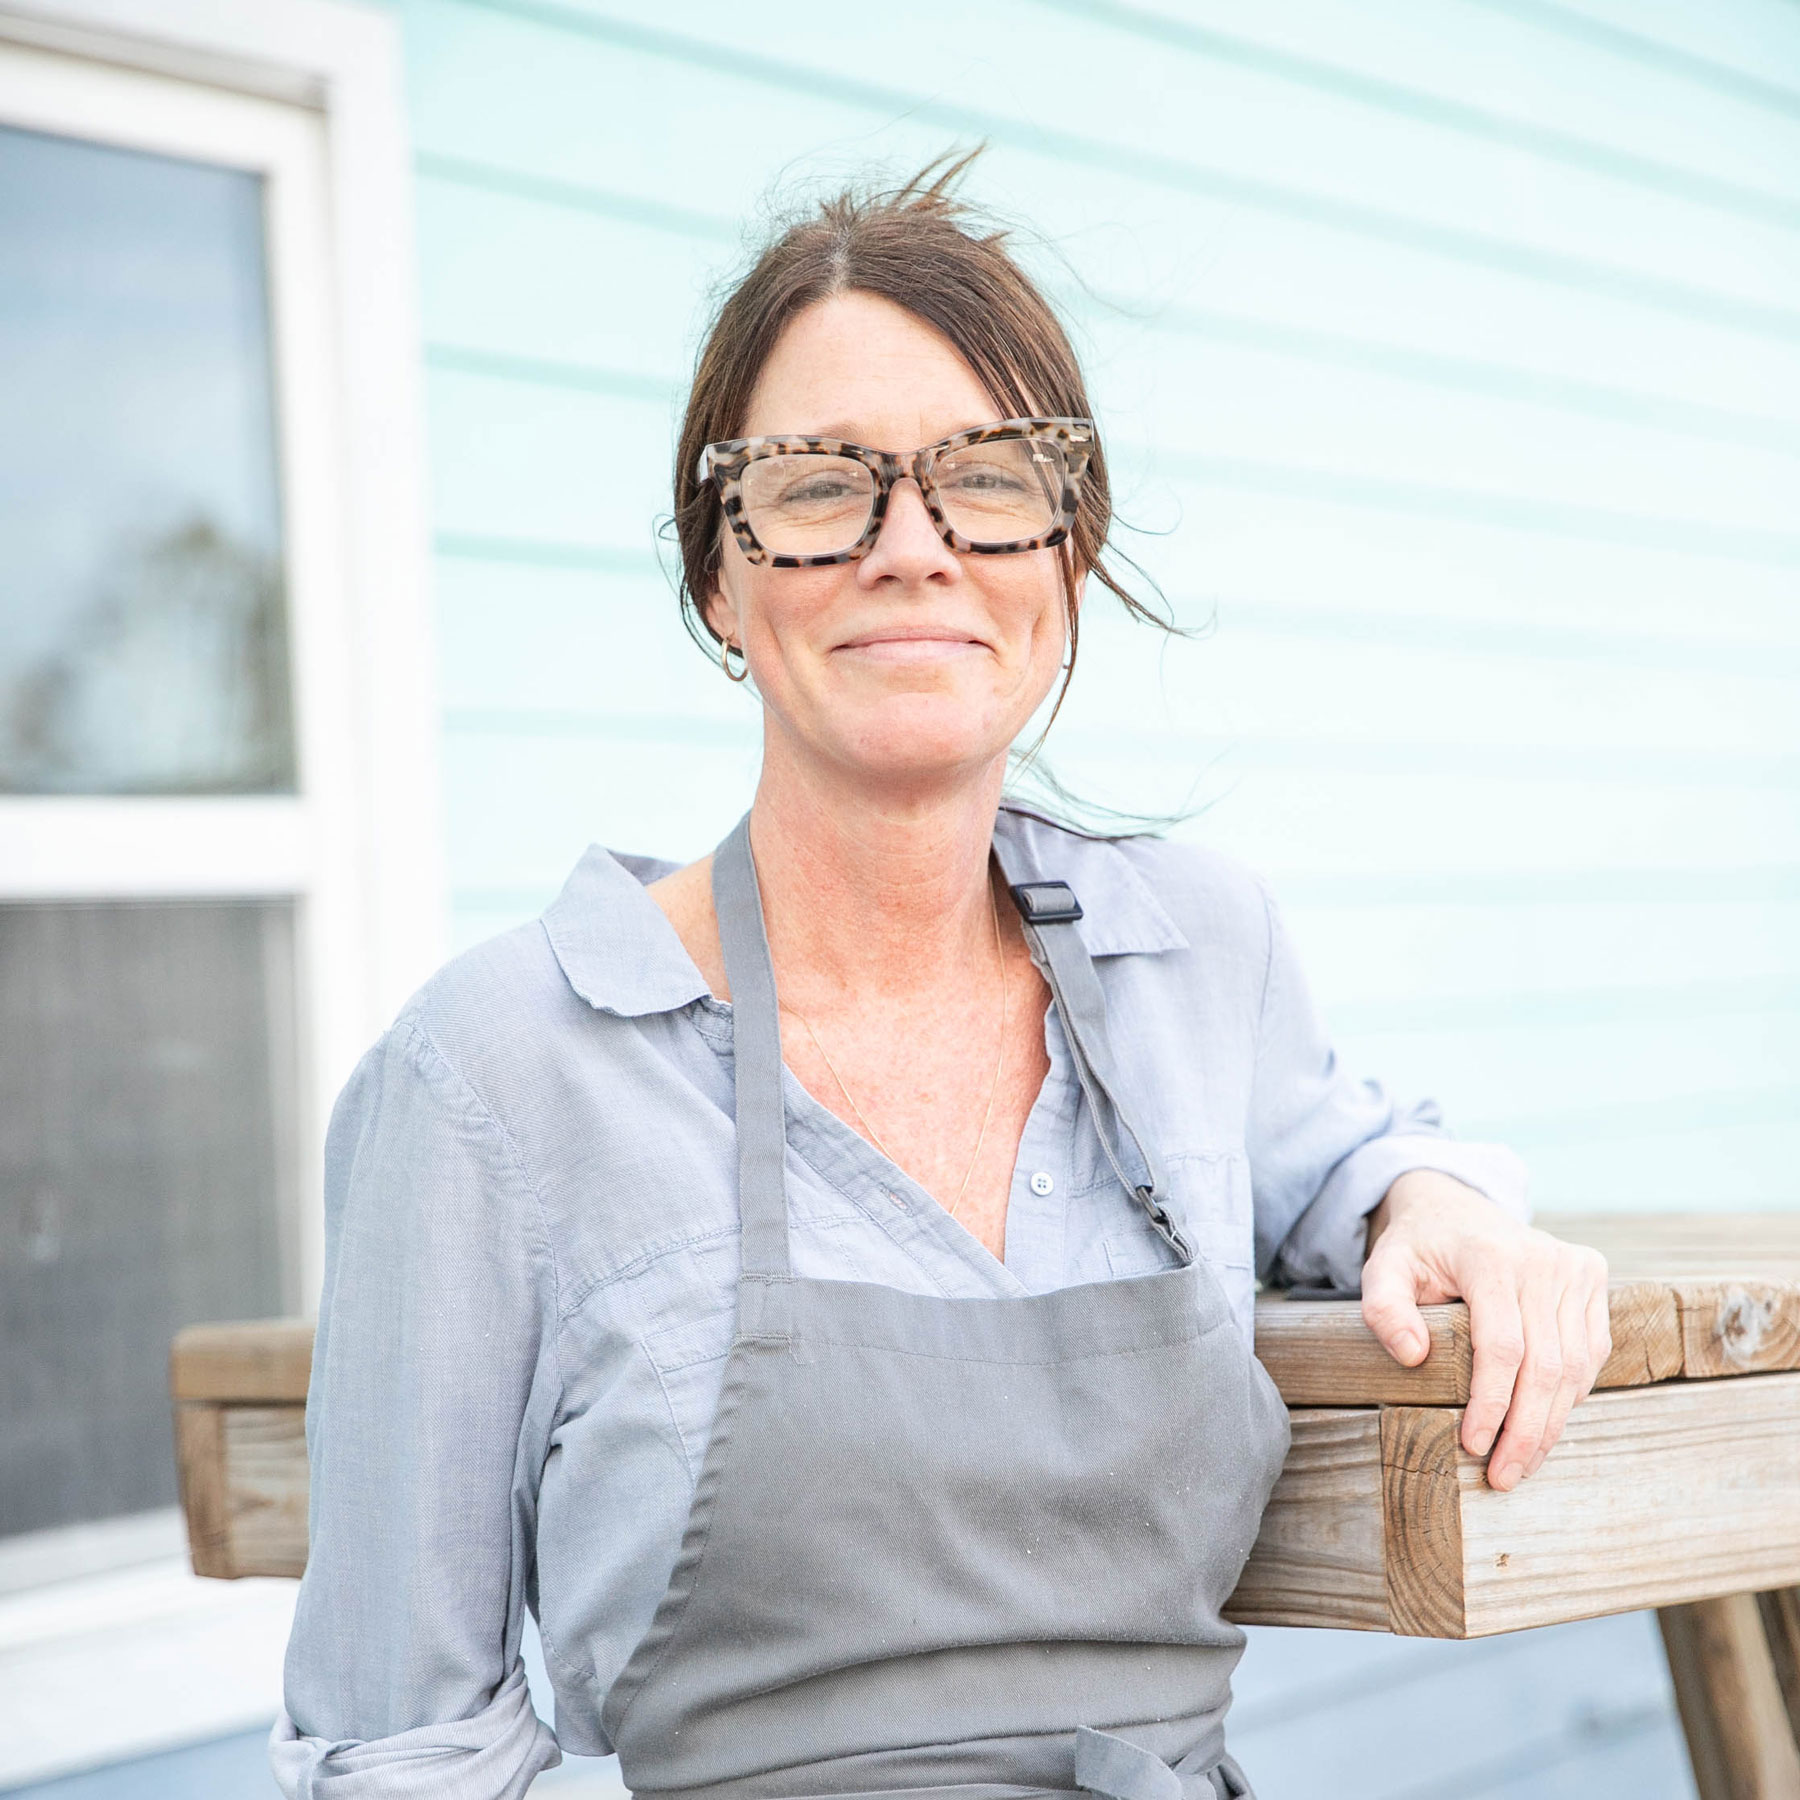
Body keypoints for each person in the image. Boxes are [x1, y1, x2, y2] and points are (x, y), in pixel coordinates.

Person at [273, 160, 1612, 1800]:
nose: (913, 546)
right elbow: (396, 1743)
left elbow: (1345, 1155)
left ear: (1064, 554)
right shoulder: (491, 1073)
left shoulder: (1197, 955)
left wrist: (1440, 1205)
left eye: (988, 478)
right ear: (719, 577)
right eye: (821, 484)